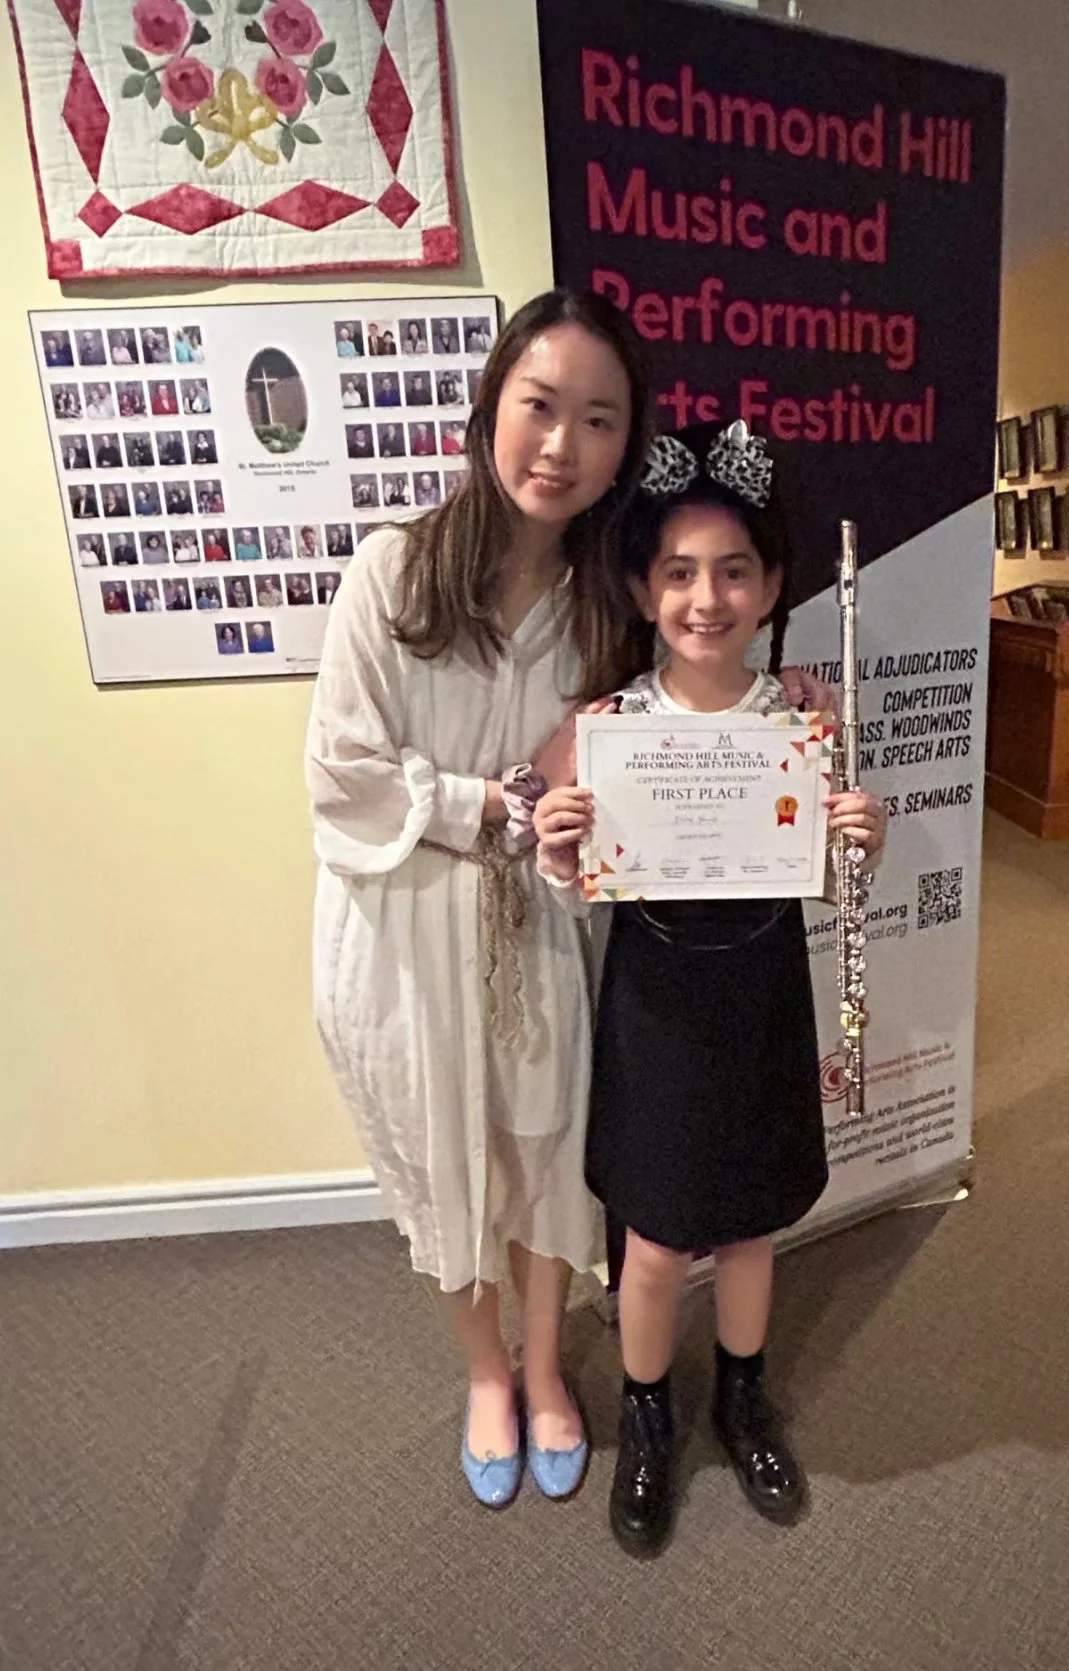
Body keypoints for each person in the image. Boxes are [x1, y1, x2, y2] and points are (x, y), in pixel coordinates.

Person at [306, 288, 830, 1514]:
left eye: (599, 420)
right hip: (405, 926)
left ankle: (548, 1370)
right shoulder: (394, 573)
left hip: (544, 923)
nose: (561, 445)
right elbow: (343, 774)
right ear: (491, 401)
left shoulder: (605, 599)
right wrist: (495, 804)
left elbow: (684, 713)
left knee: (543, 1152)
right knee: (445, 1160)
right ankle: (485, 1375)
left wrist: (785, 713)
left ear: (624, 444)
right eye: (540, 406)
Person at [532, 420, 884, 1557]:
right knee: (650, 1240)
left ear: (772, 585)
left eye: (734, 571)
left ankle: (741, 1395)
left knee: (746, 1229)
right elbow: (569, 885)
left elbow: (833, 876)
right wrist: (557, 847)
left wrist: (860, 838)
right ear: (644, 589)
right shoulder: (605, 729)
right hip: (655, 1007)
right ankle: (646, 1417)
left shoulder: (803, 720)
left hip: (762, 995)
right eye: (678, 572)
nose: (705, 597)